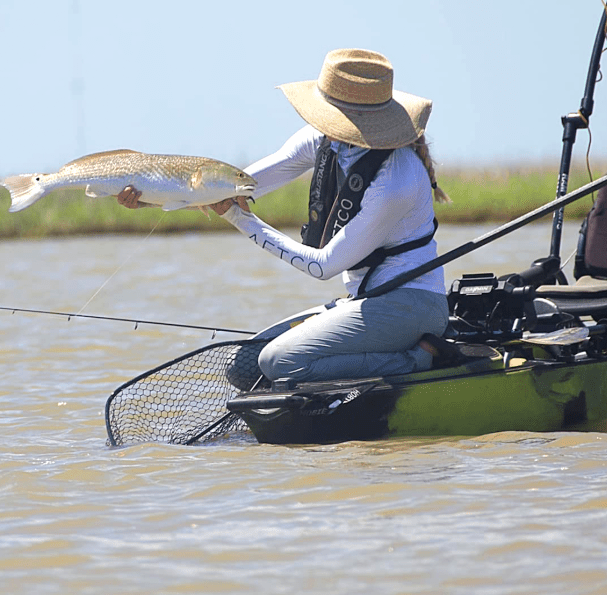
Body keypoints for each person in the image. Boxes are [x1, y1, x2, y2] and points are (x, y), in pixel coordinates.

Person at [118, 48, 450, 384]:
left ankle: (414, 361)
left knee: (278, 362)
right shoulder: (325, 141)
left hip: (412, 306)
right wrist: (148, 199)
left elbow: (325, 266)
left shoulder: (397, 179)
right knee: (244, 366)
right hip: (364, 299)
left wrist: (240, 220)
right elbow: (234, 189)